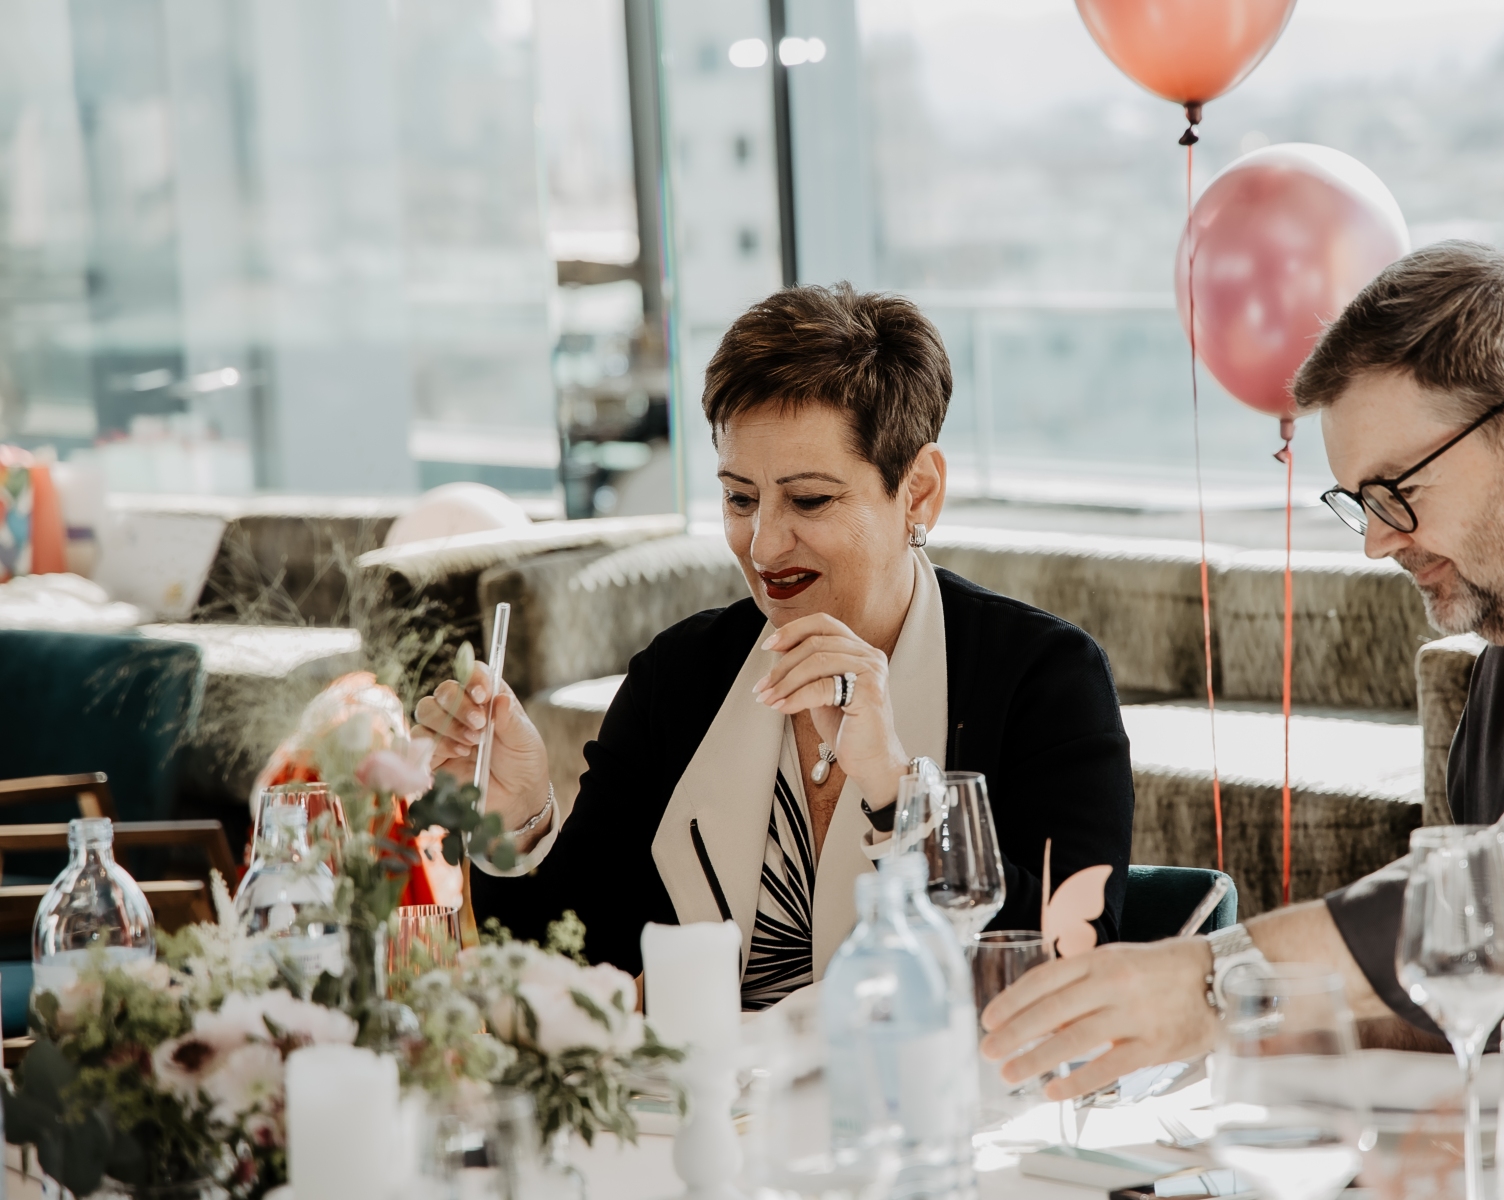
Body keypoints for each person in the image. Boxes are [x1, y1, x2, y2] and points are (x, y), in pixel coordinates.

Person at [978, 241, 1504, 1135]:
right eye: (1359, 505)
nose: (1376, 542)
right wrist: (1223, 1045)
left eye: (1394, 492)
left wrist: (1217, 980)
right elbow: (1465, 983)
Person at [413, 283, 1135, 1010]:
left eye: (810, 499)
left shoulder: (1047, 679)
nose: (762, 546)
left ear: (917, 491)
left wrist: (895, 790)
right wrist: (519, 821)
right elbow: (569, 974)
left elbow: (1066, 971)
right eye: (740, 498)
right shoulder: (679, 678)